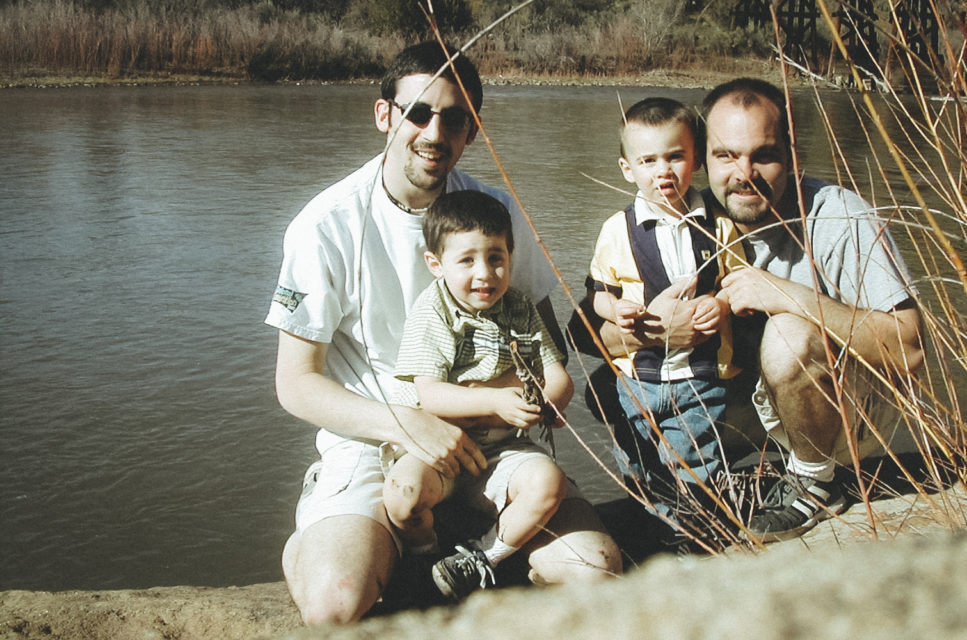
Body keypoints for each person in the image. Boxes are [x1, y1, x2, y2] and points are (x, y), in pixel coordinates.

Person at [266, 41, 621, 625]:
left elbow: (545, 346)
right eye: (418, 112)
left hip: (492, 441)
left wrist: (538, 397)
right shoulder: (325, 226)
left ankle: (474, 551)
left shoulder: (495, 213)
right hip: (377, 438)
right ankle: (343, 529)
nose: (435, 131)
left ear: (472, 129)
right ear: (385, 115)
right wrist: (406, 422)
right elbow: (296, 385)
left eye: (454, 118)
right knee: (336, 603)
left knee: (597, 569)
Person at [580, 78, 924, 543]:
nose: (744, 173)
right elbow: (584, 332)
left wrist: (787, 295)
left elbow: (910, 349)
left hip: (844, 411)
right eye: (726, 155)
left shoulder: (838, 216)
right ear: (704, 157)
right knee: (606, 387)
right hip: (743, 392)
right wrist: (660, 332)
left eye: (764, 154)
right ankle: (680, 498)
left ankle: (817, 485)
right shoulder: (694, 219)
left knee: (787, 335)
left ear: (792, 153)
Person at [385, 189, 573, 601]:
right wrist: (495, 402)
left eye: (496, 257)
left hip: (502, 450)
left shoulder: (519, 307)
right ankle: (424, 552)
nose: (485, 273)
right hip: (440, 449)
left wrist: (547, 404)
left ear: (510, 256)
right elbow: (430, 395)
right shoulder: (432, 311)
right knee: (403, 495)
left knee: (549, 482)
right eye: (467, 260)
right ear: (436, 264)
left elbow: (558, 376)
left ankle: (481, 557)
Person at [586, 97, 743, 515]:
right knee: (636, 461)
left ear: (697, 160)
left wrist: (723, 304)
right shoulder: (617, 230)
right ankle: (656, 516)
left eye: (676, 157)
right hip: (637, 377)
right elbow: (598, 291)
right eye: (649, 161)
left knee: (695, 461)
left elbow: (738, 281)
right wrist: (613, 310)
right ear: (627, 169)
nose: (663, 171)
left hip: (699, 376)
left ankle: (697, 527)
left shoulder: (719, 224)